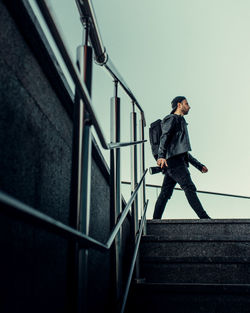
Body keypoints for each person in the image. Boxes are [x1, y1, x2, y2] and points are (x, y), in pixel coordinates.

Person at [153, 96, 210, 219]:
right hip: (174, 162)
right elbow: (164, 136)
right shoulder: (172, 119)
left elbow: (182, 151)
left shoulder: (180, 121)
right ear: (179, 105)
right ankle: (205, 219)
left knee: (165, 194)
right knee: (189, 187)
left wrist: (199, 165)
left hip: (174, 161)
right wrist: (161, 156)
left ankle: (155, 221)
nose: (189, 106)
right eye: (186, 103)